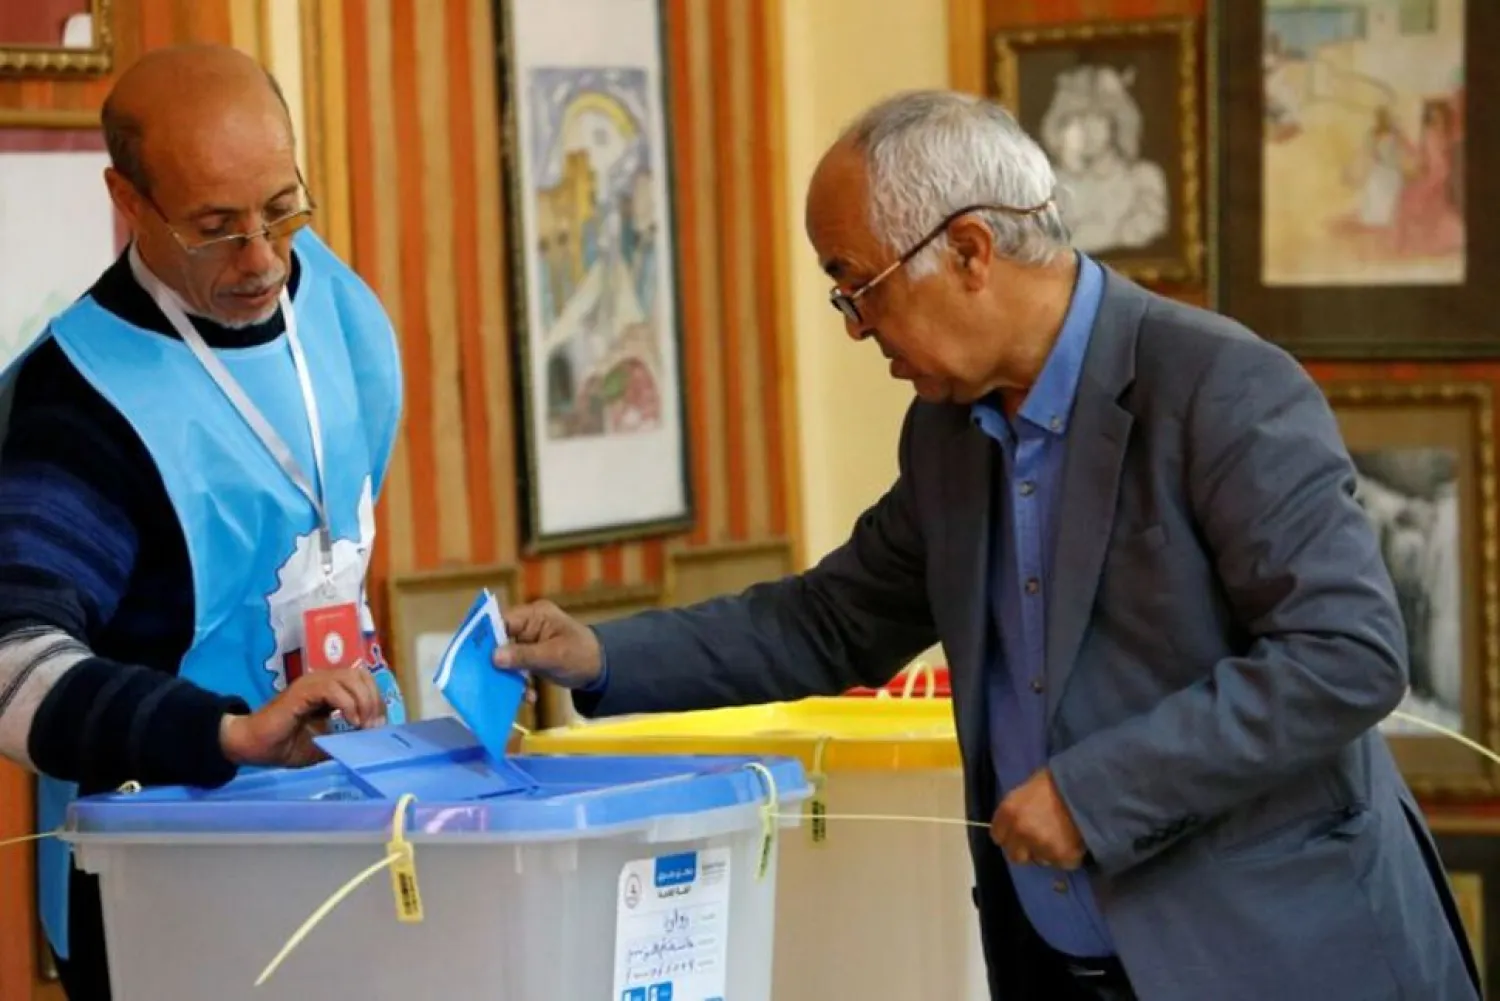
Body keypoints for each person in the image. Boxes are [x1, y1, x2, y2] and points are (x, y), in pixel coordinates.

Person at [496, 90, 1480, 1001]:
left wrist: (1095, 792)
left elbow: (1346, 655)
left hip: (1281, 957)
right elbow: (832, 618)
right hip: (1064, 962)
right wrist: (604, 654)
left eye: (859, 288)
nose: (854, 327)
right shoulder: (946, 431)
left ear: (969, 248)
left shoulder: (1221, 387)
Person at [0, 45, 406, 1000]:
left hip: (352, 829)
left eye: (281, 208)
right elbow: (12, 663)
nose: (263, 259)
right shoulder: (79, 408)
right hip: (170, 887)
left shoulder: (334, 298)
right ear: (130, 202)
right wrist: (225, 735)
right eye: (217, 228)